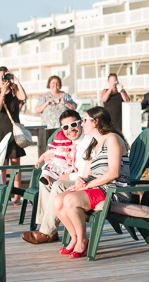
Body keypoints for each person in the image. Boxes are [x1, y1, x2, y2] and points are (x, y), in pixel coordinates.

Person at [52, 106, 130, 259]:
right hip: (97, 188)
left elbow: (114, 173)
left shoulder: (112, 138)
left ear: (96, 122)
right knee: (58, 201)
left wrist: (87, 185)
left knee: (70, 200)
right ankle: (74, 237)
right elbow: (87, 175)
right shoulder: (93, 145)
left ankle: (82, 240)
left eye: (85, 120)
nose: (81, 123)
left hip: (113, 190)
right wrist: (81, 182)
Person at [21, 109, 84, 245]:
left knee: (58, 184)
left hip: (83, 181)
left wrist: (68, 176)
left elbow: (86, 172)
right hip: (73, 176)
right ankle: (49, 230)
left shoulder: (85, 141)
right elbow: (54, 153)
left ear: (81, 123)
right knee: (45, 181)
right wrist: (52, 156)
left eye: (74, 124)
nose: (70, 129)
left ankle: (47, 232)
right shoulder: (68, 141)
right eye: (66, 127)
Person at [0, 66, 28, 197]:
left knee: (16, 165)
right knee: (2, 165)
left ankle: (17, 196)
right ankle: (3, 196)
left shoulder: (14, 90)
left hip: (14, 130)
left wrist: (16, 80)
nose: (1, 80)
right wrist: (1, 93)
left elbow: (23, 96)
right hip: (1, 130)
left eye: (3, 76)